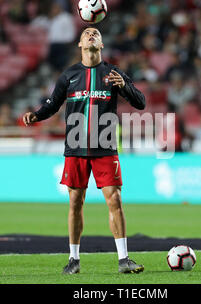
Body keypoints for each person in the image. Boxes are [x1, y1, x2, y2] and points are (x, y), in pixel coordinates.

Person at [22, 27, 146, 274]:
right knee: (75, 203)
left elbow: (140, 102)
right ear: (80, 44)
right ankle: (73, 259)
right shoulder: (69, 76)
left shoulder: (114, 74)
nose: (91, 35)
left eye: (96, 34)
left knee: (115, 199)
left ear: (101, 45)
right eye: (87, 33)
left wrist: (125, 87)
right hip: (76, 148)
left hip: (105, 146)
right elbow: (52, 105)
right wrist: (35, 115)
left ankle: (124, 259)